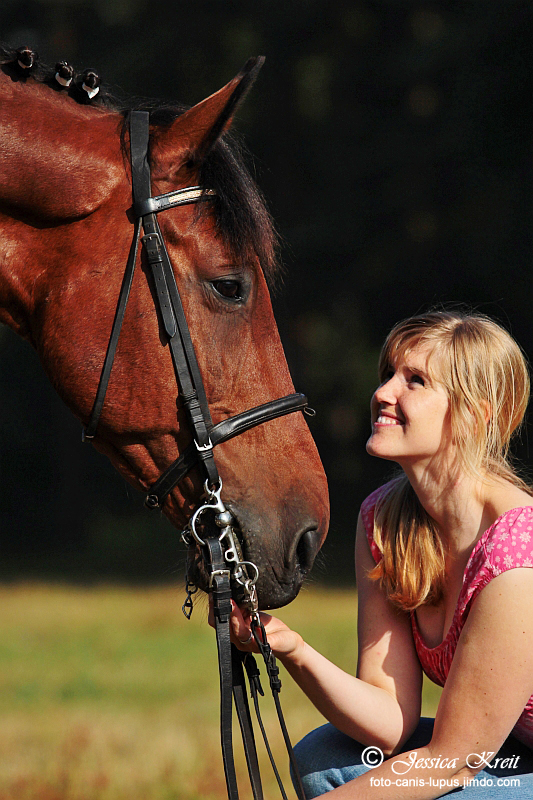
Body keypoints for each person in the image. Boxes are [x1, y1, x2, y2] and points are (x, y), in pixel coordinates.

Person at [228, 310, 533, 798]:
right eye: (387, 374)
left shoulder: (519, 552)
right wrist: (292, 648)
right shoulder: (383, 521)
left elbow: (453, 764)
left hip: (477, 760)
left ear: (476, 412)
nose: (383, 393)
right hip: (507, 751)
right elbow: (389, 720)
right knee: (323, 759)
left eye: (415, 380)